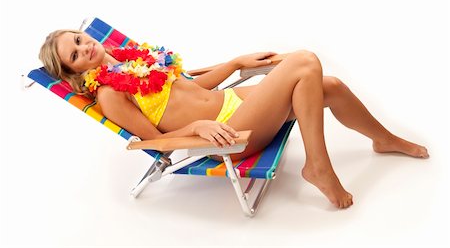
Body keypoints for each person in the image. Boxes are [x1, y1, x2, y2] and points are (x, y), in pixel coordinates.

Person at [39, 29, 429, 209]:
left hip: (229, 101)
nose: (83, 47)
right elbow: (152, 141)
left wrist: (234, 63)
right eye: (74, 54)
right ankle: (318, 165)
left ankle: (383, 139)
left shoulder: (135, 60)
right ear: (72, 73)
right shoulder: (109, 93)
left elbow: (192, 87)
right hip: (231, 132)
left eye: (77, 39)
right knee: (304, 60)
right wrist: (195, 128)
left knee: (331, 85)